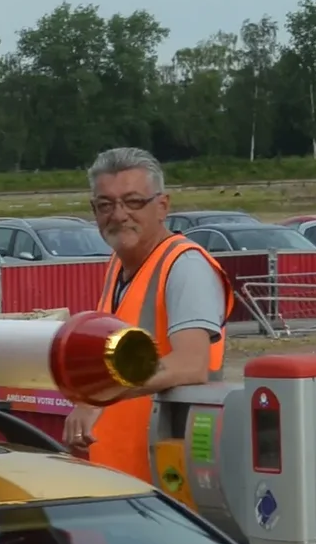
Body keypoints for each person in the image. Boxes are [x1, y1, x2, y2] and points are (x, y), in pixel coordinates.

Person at [65, 148, 233, 478]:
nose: (119, 214)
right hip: (122, 477)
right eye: (105, 205)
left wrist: (97, 397)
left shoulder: (184, 267)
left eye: (133, 202)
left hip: (170, 481)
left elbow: (191, 364)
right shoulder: (118, 266)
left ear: (163, 206)